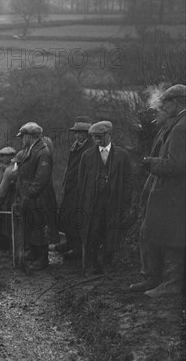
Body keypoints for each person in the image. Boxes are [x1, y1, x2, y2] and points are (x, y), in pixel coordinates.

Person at [130, 84, 185, 296]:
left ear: (177, 102)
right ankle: (159, 280)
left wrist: (151, 162)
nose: (163, 107)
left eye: (167, 103)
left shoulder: (181, 127)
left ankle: (171, 284)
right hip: (172, 193)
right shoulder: (178, 124)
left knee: (173, 237)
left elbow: (176, 164)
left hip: (175, 193)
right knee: (167, 235)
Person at [77, 121, 133, 276]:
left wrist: (125, 202)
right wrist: (82, 204)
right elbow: (81, 183)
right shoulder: (87, 156)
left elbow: (128, 181)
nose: (97, 140)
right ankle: (91, 265)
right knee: (92, 233)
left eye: (100, 136)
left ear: (109, 134)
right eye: (94, 137)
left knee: (110, 233)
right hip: (93, 204)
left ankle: (107, 264)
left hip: (113, 202)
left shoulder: (122, 155)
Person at [16, 122, 57, 272]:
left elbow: (41, 178)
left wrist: (30, 193)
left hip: (40, 197)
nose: (22, 140)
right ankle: (34, 252)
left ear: (29, 136)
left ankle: (42, 258)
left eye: (23, 137)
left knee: (40, 227)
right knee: (32, 225)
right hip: (31, 196)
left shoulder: (43, 152)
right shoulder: (31, 149)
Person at [55, 116, 95, 258]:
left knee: (77, 217)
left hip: (81, 188)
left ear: (86, 133)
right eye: (76, 132)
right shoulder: (76, 146)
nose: (77, 135)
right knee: (66, 214)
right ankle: (70, 242)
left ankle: (77, 247)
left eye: (80, 132)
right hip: (71, 186)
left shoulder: (91, 147)